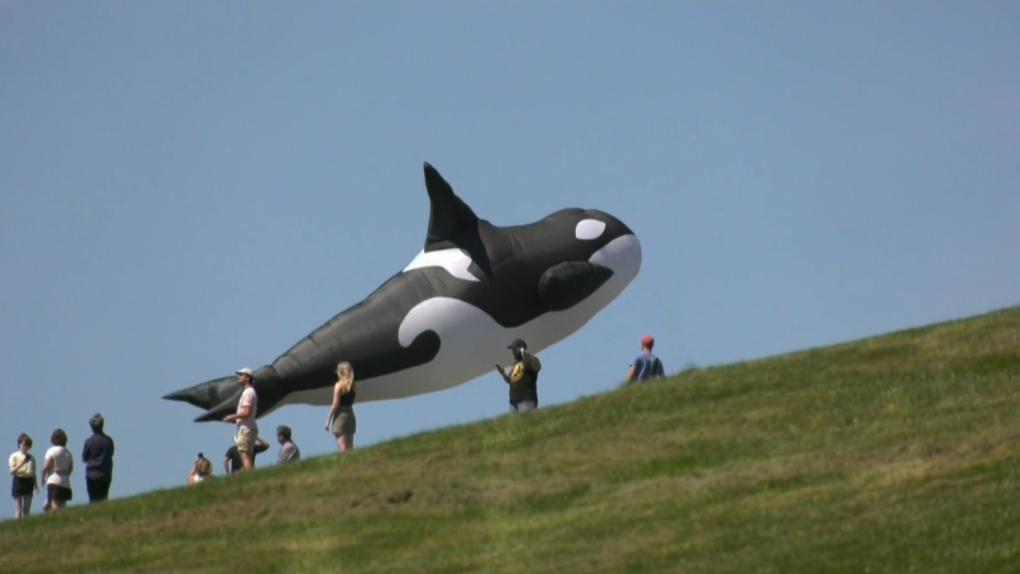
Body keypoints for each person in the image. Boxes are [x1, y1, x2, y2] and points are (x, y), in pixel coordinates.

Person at [223, 367, 259, 471]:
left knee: (244, 455)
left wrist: (232, 416)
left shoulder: (248, 392)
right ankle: (252, 476)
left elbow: (246, 412)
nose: (239, 377)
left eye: (241, 375)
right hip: (249, 427)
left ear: (247, 378)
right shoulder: (250, 392)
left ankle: (250, 477)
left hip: (246, 429)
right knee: (247, 454)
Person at [495, 338, 542, 413]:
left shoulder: (530, 360)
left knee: (526, 423)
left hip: (527, 400)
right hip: (513, 403)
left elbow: (538, 367)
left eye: (514, 349)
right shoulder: (515, 364)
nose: (513, 352)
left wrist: (527, 354)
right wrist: (503, 374)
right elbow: (511, 380)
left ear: (521, 349)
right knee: (514, 424)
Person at [81, 413, 115, 503]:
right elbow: (111, 454)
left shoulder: (89, 442)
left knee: (93, 500)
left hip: (92, 476)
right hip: (105, 474)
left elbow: (84, 458)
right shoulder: (109, 441)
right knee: (104, 498)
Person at [326, 361, 357, 451]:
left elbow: (335, 404)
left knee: (343, 447)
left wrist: (328, 420)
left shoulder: (339, 385)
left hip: (341, 416)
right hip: (350, 415)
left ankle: (345, 464)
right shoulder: (352, 386)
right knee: (350, 447)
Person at [9, 433, 40, 519]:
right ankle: (17, 525)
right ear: (19, 444)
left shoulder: (32, 458)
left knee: (26, 508)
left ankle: (26, 525)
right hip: (19, 480)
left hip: (29, 481)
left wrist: (36, 486)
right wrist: (22, 463)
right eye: (23, 444)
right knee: (18, 509)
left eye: (27, 445)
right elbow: (12, 471)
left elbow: (33, 473)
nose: (25, 447)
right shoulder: (14, 456)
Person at [41, 428, 73, 512]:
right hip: (65, 482)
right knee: (62, 507)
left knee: (54, 507)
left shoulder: (51, 451)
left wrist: (43, 478)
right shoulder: (68, 453)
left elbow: (45, 467)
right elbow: (70, 469)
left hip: (54, 481)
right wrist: (63, 471)